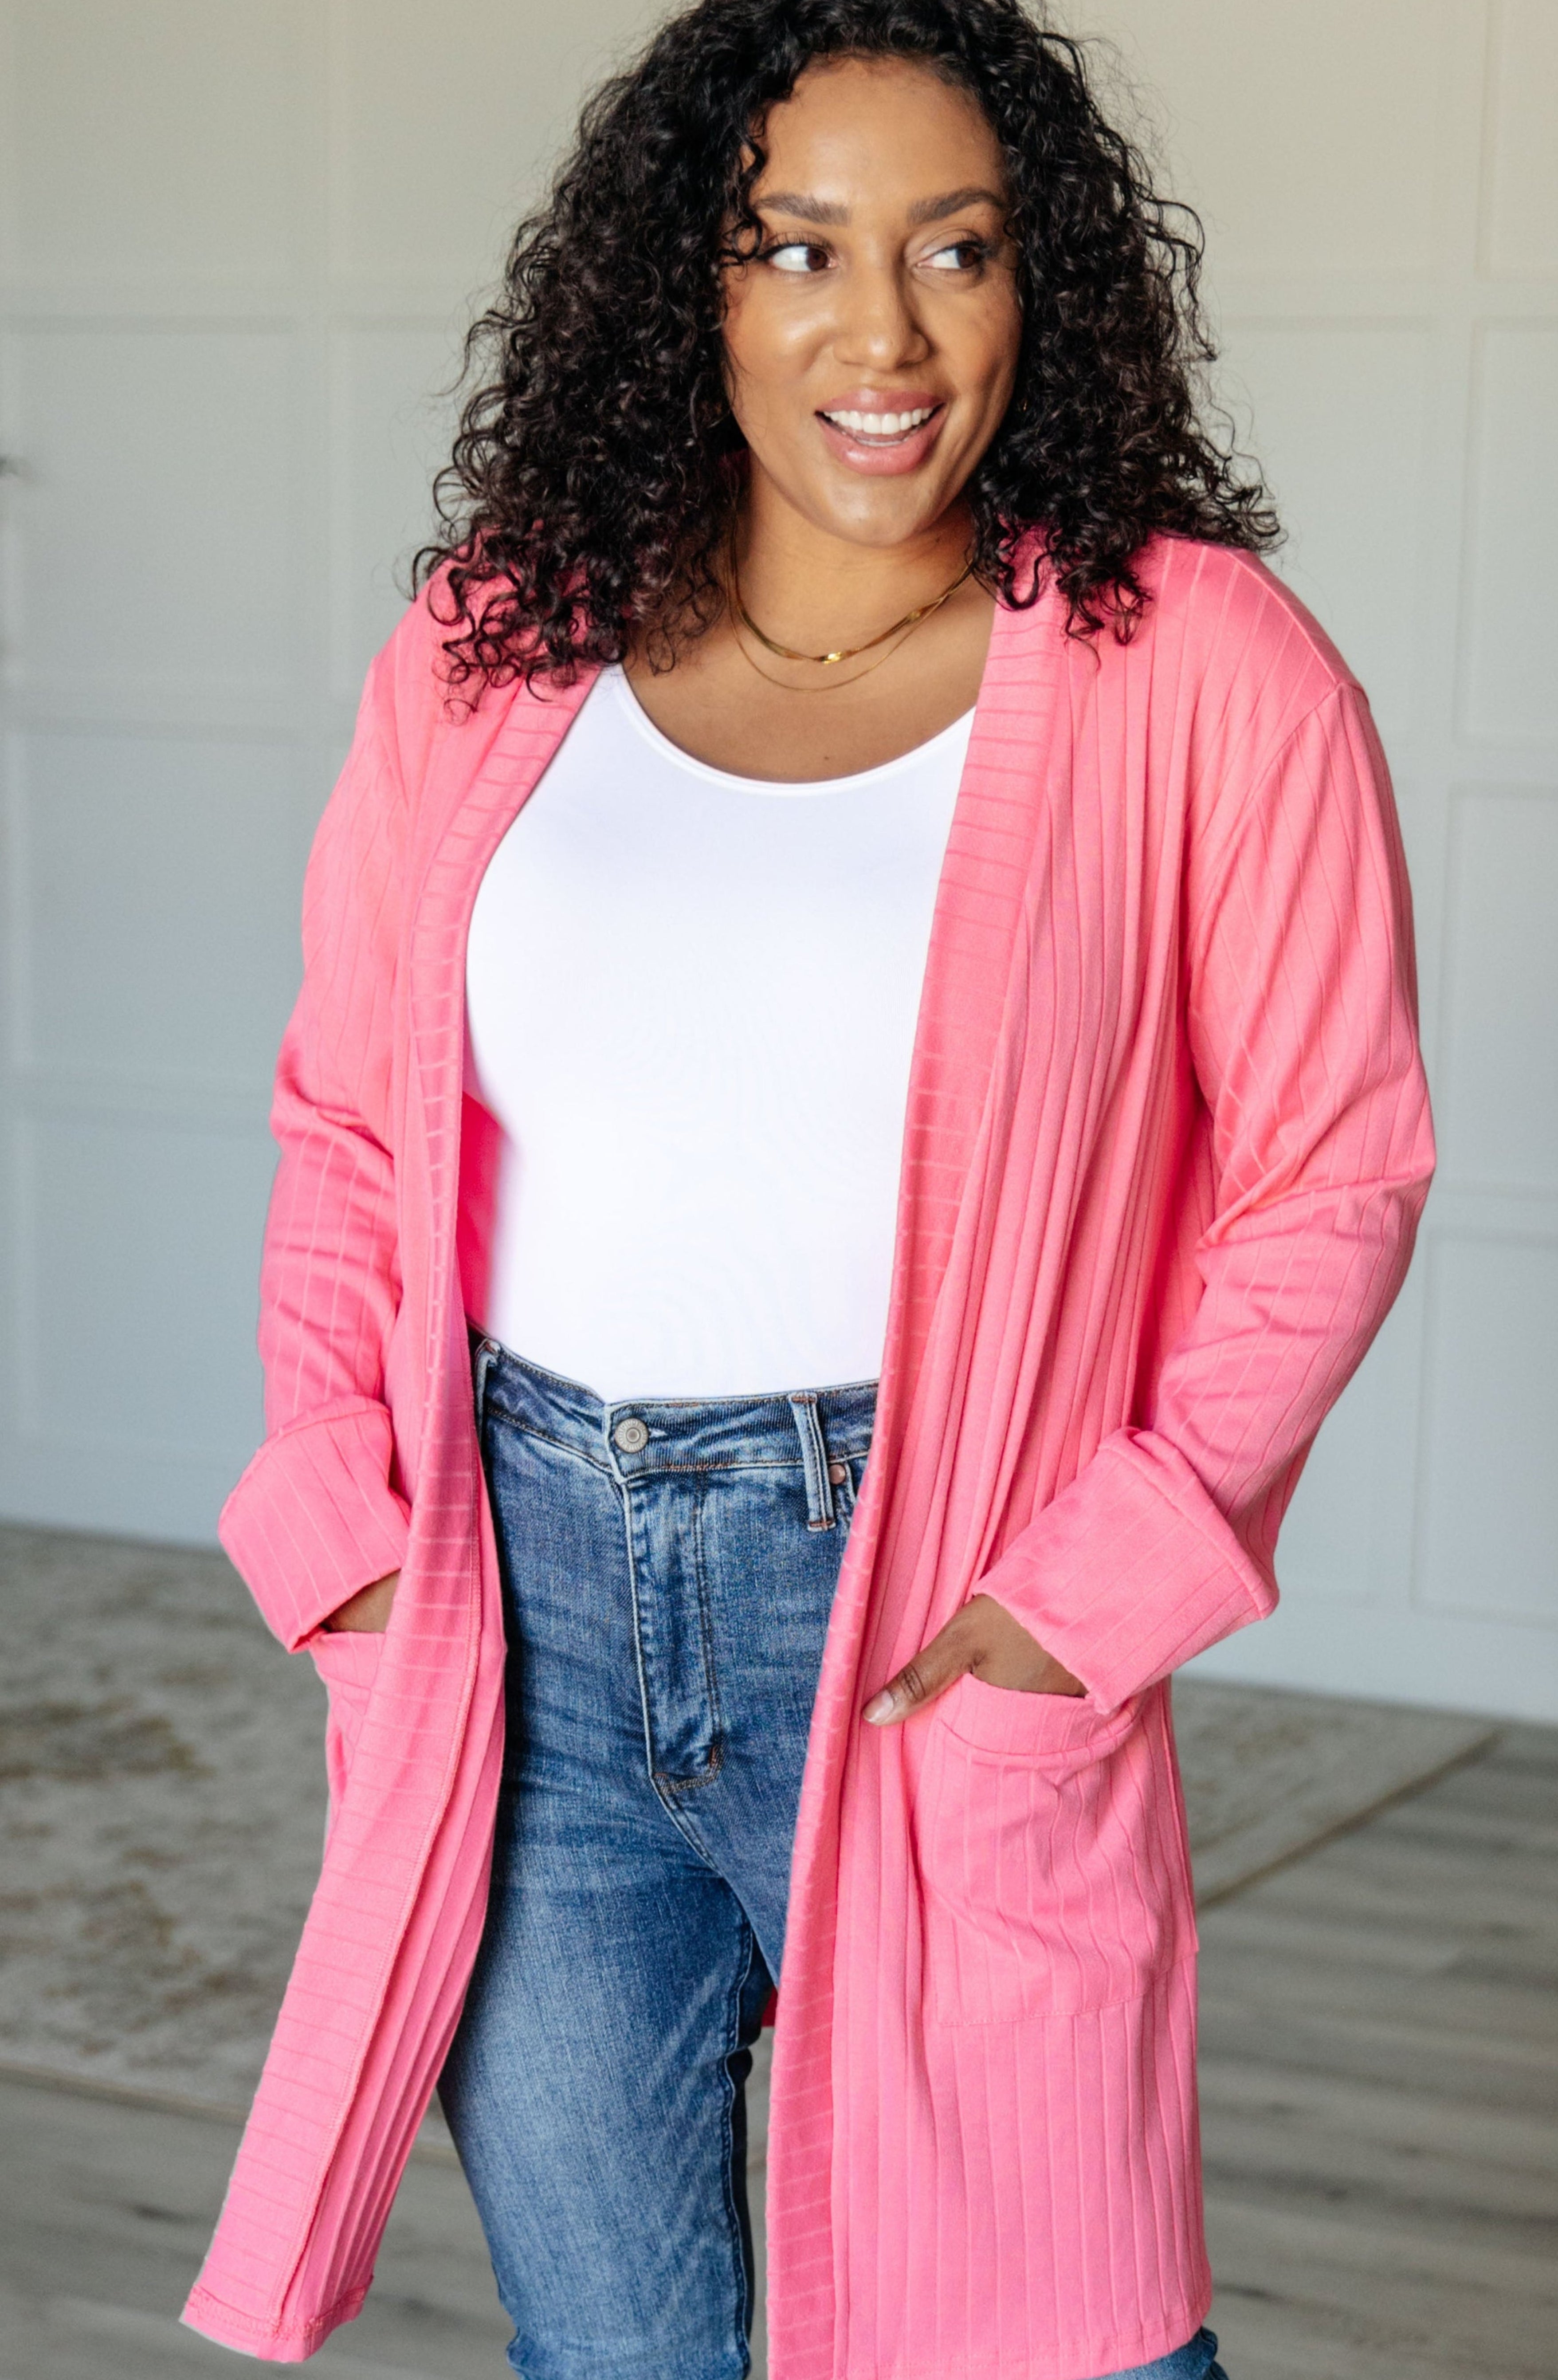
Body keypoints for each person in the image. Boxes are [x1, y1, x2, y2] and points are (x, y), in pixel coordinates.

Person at [184, 3, 1434, 2375]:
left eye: (957, 250)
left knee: (1061, 2338)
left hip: (932, 1601)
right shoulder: (492, 643)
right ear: (692, 284)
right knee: (616, 2352)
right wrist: (340, 1526)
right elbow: (348, 1119)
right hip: (520, 1611)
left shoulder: (1203, 669)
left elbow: (1332, 1169)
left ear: (1041, 280)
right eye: (799, 249)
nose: (887, 337)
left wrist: (1092, 1593)